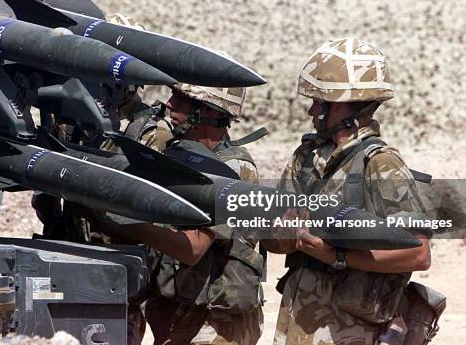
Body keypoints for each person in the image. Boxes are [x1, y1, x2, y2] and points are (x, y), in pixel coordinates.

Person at [265, 37, 433, 345]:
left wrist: (337, 256)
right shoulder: (304, 159)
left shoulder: (381, 164)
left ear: (344, 105)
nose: (311, 111)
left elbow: (418, 252)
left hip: (351, 331)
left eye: (319, 102)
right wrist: (285, 237)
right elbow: (271, 238)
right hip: (296, 324)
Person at [118, 83, 266, 345]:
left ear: (207, 112)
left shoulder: (233, 169)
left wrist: (123, 222)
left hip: (216, 324)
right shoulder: (182, 158)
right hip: (179, 314)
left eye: (182, 99)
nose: (170, 104)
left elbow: (193, 248)